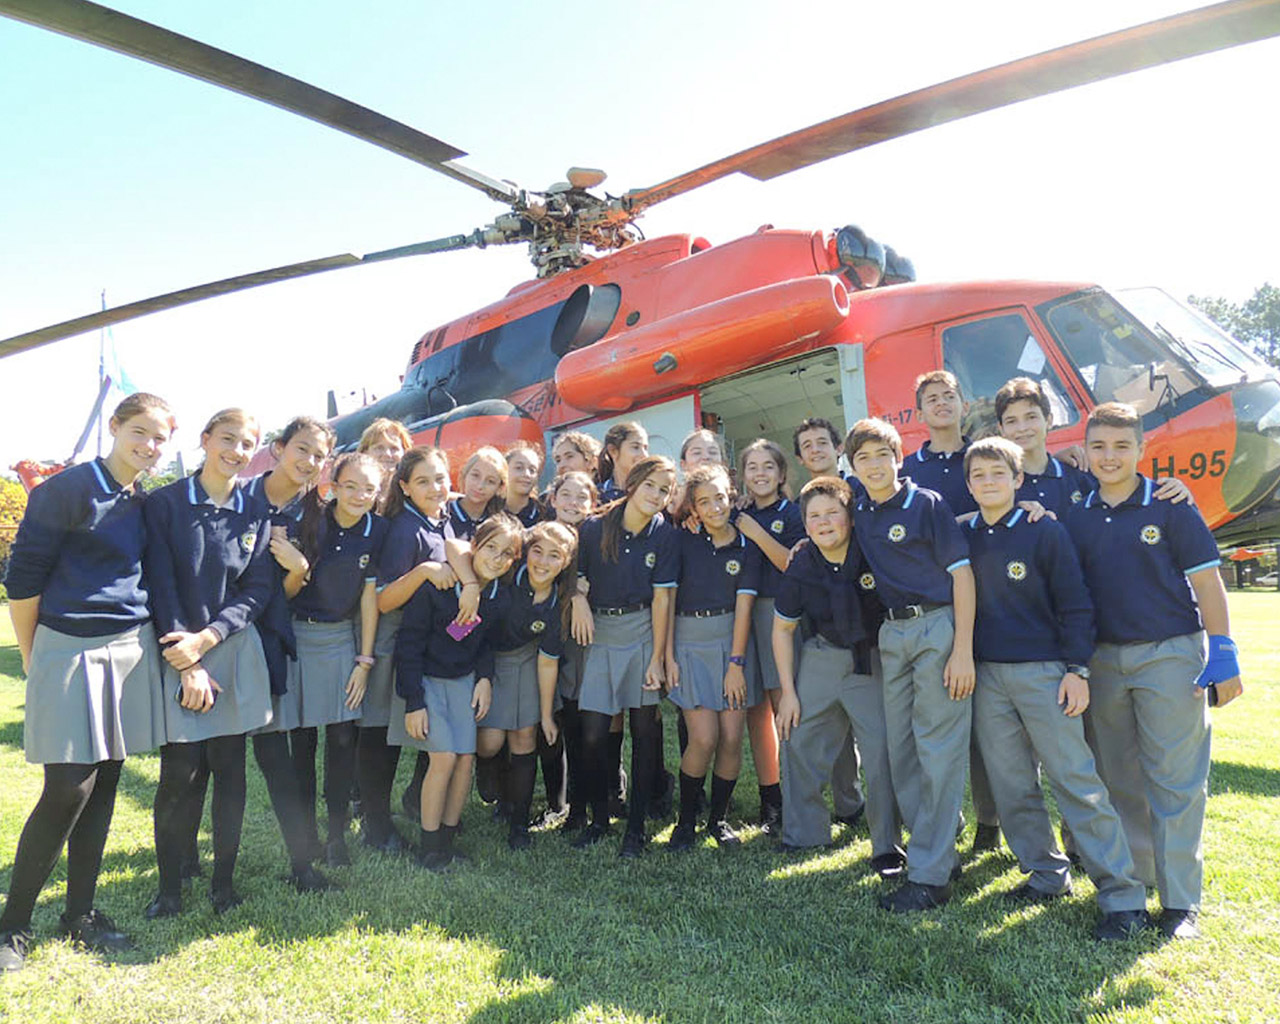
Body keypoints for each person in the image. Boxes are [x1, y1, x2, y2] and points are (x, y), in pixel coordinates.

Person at [0, 394, 174, 972]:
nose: (150, 446)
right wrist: (36, 656)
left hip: (129, 650)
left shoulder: (139, 501)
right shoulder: (67, 490)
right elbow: (22, 583)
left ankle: (79, 914)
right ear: (115, 427)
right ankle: (13, 925)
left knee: (104, 787)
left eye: (160, 438)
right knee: (67, 789)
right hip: (67, 648)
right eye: (141, 432)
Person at [1067, 402, 1243, 940]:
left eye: (1121, 446)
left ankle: (1181, 902)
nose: (1110, 456)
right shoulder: (1077, 511)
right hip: (1101, 660)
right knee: (1119, 778)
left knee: (1175, 780)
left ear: (1142, 450)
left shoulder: (1170, 507)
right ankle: (1136, 888)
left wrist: (1223, 650)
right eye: (1098, 446)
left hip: (1169, 654)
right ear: (1087, 451)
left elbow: (1208, 583)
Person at [963, 436, 1151, 941]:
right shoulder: (962, 535)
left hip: (1045, 672)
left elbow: (1075, 603)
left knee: (1076, 782)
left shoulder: (1045, 531)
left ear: (1019, 479)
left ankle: (1123, 897)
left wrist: (1077, 669)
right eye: (977, 476)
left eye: (998, 474)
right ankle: (1046, 875)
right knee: (1012, 784)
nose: (988, 483)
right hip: (988, 677)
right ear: (968, 485)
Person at [142, 408, 276, 918]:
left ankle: (224, 884)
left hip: (231, 650)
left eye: (247, 444)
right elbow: (160, 582)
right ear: (204, 440)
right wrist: (187, 657)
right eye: (228, 440)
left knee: (229, 772)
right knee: (179, 773)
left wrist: (213, 635)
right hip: (179, 653)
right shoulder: (166, 505)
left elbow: (258, 588)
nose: (237, 452)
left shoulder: (254, 509)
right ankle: (170, 889)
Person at [846, 417, 975, 912]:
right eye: (863, 459)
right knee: (901, 748)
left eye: (883, 455)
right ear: (853, 468)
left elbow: (961, 576)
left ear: (899, 458)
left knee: (937, 748)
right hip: (892, 633)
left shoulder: (926, 504)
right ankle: (933, 848)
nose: (874, 466)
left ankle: (930, 876)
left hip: (937, 627)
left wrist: (962, 649)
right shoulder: (859, 509)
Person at [771, 476, 902, 872]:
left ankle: (887, 844)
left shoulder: (872, 548)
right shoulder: (802, 565)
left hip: (872, 658)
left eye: (833, 513)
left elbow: (932, 526)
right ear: (805, 524)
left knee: (881, 751)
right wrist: (789, 691)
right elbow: (782, 628)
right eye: (814, 516)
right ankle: (804, 831)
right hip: (823, 655)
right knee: (797, 739)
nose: (824, 523)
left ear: (850, 516)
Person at [270, 453, 387, 868]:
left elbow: (369, 600)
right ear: (333, 485)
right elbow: (282, 592)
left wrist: (364, 659)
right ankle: (308, 838)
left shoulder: (378, 530)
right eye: (350, 486)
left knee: (342, 739)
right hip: (300, 635)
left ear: (379, 493)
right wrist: (298, 569)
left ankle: (336, 835)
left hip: (341, 640)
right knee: (302, 743)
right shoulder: (311, 520)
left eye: (369, 489)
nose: (359, 495)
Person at [394, 515, 522, 870]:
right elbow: (409, 644)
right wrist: (414, 701)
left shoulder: (499, 596)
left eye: (506, 554)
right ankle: (429, 845)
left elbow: (486, 644)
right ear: (474, 547)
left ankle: (448, 841)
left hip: (463, 683)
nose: (496, 558)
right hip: (427, 682)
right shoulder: (439, 585)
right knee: (444, 757)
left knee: (466, 758)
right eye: (490, 547)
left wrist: (484, 678)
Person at [243, 416, 338, 893]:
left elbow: (293, 590)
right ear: (279, 448)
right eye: (302, 450)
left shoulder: (315, 513)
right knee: (196, 763)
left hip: (273, 639)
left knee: (276, 756)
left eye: (319, 456)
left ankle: (302, 865)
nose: (309, 462)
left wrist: (297, 568)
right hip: (222, 639)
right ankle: (184, 871)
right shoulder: (239, 498)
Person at [903, 372, 996, 851]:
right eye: (930, 399)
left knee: (988, 725)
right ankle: (946, 816)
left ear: (964, 404)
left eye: (949, 396)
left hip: (994, 601)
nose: (941, 404)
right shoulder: (906, 469)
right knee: (937, 719)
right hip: (935, 611)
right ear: (918, 414)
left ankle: (990, 821)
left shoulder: (984, 458)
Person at [571, 455, 678, 856]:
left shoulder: (663, 535)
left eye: (665, 490)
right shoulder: (596, 528)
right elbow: (576, 576)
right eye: (650, 485)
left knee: (644, 733)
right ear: (632, 484)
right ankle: (600, 819)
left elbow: (663, 598)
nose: (656, 495)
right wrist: (580, 598)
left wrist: (657, 658)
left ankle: (635, 828)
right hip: (601, 632)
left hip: (643, 632)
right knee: (595, 733)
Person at [667, 465, 758, 850]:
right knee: (703, 738)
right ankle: (685, 823)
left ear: (732, 494)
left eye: (719, 497)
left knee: (732, 738)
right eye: (703, 501)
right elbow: (667, 600)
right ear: (694, 508)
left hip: (732, 644)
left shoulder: (746, 544)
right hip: (689, 641)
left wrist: (736, 665)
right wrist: (667, 655)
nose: (713, 506)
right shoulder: (682, 541)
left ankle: (717, 822)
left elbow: (744, 606)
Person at [475, 521, 577, 849]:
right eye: (537, 552)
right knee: (489, 742)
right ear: (525, 552)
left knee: (523, 737)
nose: (543, 562)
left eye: (554, 556)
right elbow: (477, 636)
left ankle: (518, 822)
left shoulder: (558, 603)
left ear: (565, 563)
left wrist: (546, 715)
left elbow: (548, 662)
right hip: (488, 661)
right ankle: (493, 783)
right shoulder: (506, 579)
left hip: (530, 664)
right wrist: (483, 678)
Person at [375, 448, 459, 839]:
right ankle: (377, 824)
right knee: (383, 740)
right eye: (423, 481)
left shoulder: (441, 521)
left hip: (430, 643)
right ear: (404, 487)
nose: (435, 487)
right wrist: (425, 571)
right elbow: (384, 599)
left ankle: (415, 803)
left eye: (440, 478)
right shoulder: (403, 530)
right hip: (396, 641)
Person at [791, 418, 865, 827]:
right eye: (808, 445)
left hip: (868, 631)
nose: (816, 449)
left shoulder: (863, 495)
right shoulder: (794, 505)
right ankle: (846, 802)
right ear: (800, 457)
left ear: (838, 448)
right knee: (826, 721)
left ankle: (857, 801)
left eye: (824, 441)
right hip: (818, 626)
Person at [729, 439, 798, 834]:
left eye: (767, 467)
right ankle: (769, 798)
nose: (760, 473)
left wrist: (755, 532)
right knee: (755, 712)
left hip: (775, 612)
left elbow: (790, 563)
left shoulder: (791, 513)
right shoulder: (735, 514)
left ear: (781, 473)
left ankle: (795, 796)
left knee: (780, 707)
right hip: (739, 616)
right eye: (752, 466)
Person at [548, 470, 601, 830]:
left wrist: (581, 596)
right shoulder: (541, 538)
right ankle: (559, 801)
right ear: (553, 499)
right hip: (546, 642)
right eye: (566, 495)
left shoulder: (596, 537)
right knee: (556, 724)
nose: (573, 504)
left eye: (581, 498)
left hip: (584, 643)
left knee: (585, 724)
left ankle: (585, 806)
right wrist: (573, 593)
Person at [449, 446, 508, 541]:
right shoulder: (443, 514)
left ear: (499, 488)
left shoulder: (497, 525)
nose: (480, 486)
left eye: (490, 481)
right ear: (465, 475)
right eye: (475, 475)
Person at [358, 417, 414, 511]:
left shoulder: (413, 491)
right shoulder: (349, 486)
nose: (387, 454)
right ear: (364, 452)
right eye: (379, 448)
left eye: (394, 448)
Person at [595, 422, 649, 503]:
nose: (644, 455)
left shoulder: (651, 492)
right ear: (613, 451)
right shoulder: (597, 495)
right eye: (635, 447)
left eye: (645, 448)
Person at [505, 443, 546, 528]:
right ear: (505, 469)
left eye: (532, 470)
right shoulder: (489, 510)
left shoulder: (544, 517)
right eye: (519, 468)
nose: (526, 474)